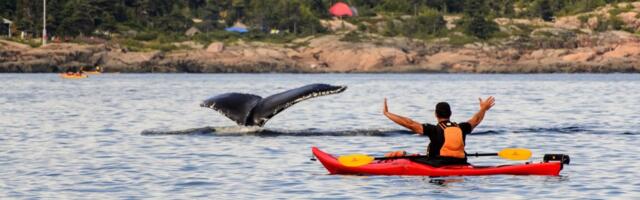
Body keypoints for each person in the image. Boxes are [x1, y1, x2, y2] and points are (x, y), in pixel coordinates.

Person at [382, 96, 495, 166]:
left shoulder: (434, 129)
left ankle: (384, 162)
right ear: (450, 114)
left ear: (436, 114)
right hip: (460, 162)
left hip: (437, 164)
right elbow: (476, 120)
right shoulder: (461, 127)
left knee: (402, 154)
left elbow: (409, 123)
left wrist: (388, 114)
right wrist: (483, 109)